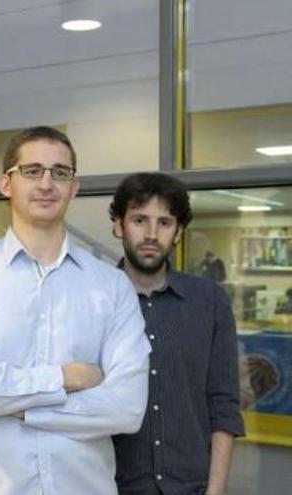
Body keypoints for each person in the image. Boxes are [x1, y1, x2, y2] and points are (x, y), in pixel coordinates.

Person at [0, 126, 150, 495]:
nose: (47, 183)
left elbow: (127, 408)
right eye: (32, 171)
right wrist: (62, 378)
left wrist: (21, 409)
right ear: (5, 184)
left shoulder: (111, 286)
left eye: (60, 173)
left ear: (73, 187)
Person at [109, 172, 244, 495]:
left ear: (179, 231)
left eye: (165, 222)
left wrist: (215, 492)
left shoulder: (209, 300)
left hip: (192, 488)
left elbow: (223, 403)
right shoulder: (94, 300)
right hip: (110, 486)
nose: (152, 234)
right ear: (118, 225)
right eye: (140, 220)